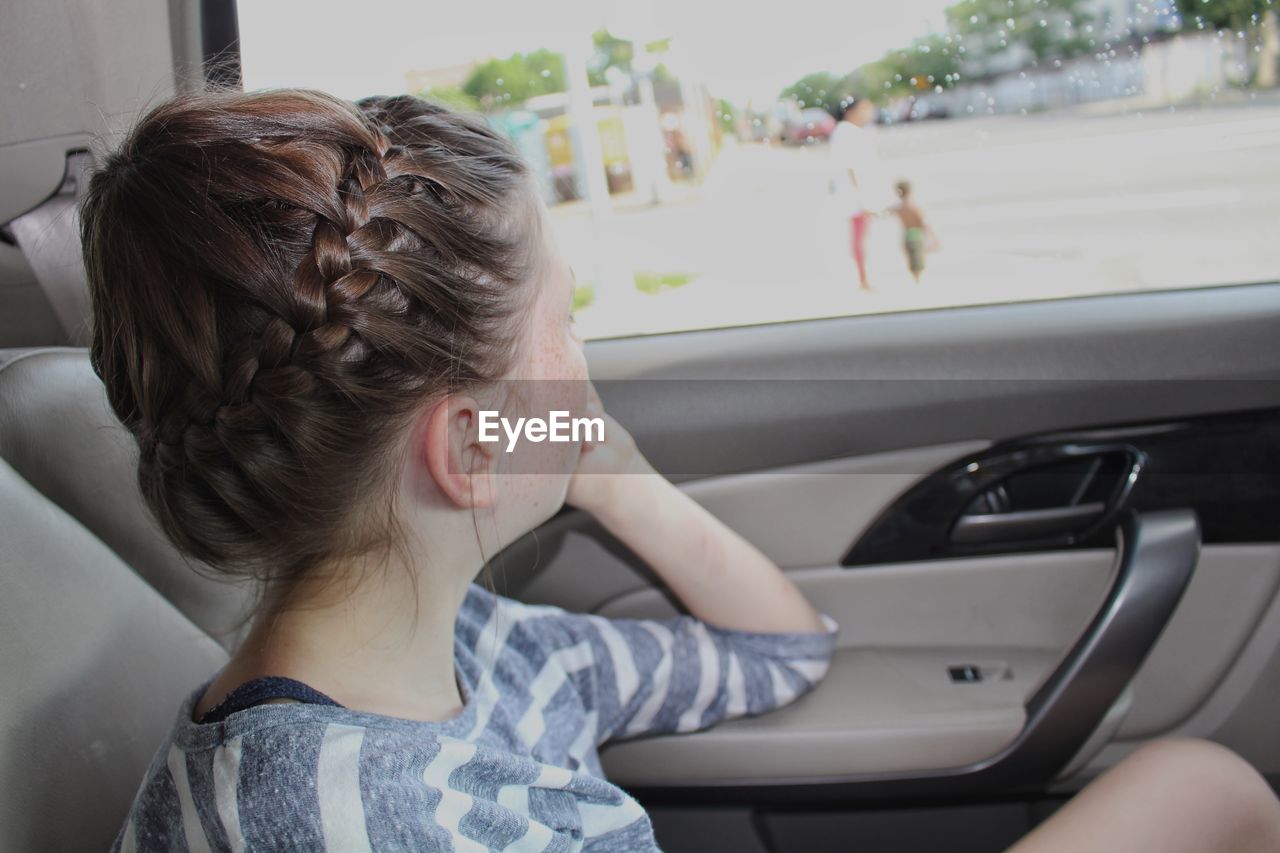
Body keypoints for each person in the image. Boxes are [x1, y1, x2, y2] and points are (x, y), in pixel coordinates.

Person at [82, 90, 1280, 852]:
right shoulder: (341, 820)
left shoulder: (483, 650)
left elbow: (778, 653)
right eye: (562, 326)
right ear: (458, 450)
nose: (584, 369)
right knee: (1207, 794)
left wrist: (590, 460)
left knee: (1195, 780)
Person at [829, 96, 891, 292]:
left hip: (859, 196)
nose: (869, 113)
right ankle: (864, 280)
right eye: (865, 108)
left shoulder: (849, 131)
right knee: (860, 238)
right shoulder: (847, 132)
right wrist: (863, 198)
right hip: (857, 197)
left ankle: (865, 278)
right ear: (851, 111)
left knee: (862, 238)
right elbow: (852, 167)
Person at [890, 180, 937, 284]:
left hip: (906, 236)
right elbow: (925, 223)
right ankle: (918, 282)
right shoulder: (913, 206)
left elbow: (882, 214)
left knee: (911, 262)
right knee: (918, 263)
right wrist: (934, 239)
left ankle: (916, 281)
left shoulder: (898, 207)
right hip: (917, 236)